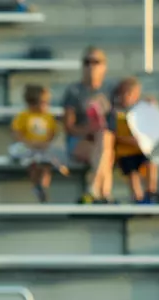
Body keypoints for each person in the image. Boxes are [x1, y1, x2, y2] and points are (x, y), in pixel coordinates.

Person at [62, 46, 115, 204]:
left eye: (96, 62)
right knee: (105, 152)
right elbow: (69, 127)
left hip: (102, 140)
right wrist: (89, 130)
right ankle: (104, 194)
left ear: (104, 66)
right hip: (79, 140)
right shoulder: (74, 91)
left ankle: (93, 190)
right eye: (87, 62)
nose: (91, 66)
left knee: (104, 140)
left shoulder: (109, 90)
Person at [9, 83, 66, 203]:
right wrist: (29, 143)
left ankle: (43, 186)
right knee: (32, 162)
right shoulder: (24, 116)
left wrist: (45, 143)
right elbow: (16, 133)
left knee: (45, 164)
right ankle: (36, 185)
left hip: (42, 147)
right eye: (44, 102)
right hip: (29, 146)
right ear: (32, 103)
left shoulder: (48, 117)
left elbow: (52, 134)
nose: (46, 106)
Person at [109, 77, 158, 205]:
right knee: (132, 173)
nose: (127, 97)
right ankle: (138, 198)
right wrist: (129, 140)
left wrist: (152, 108)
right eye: (124, 93)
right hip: (125, 152)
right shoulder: (115, 114)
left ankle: (150, 193)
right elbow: (114, 135)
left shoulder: (139, 112)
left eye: (131, 94)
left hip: (140, 150)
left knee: (151, 165)